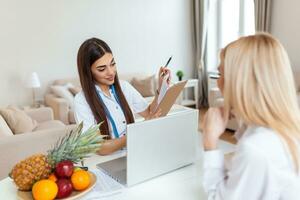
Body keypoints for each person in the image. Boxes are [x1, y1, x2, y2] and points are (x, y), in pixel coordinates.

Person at [202, 33, 300, 199]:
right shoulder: (285, 130)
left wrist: (209, 142)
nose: (219, 83)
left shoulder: (255, 148)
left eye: (221, 74)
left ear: (239, 82)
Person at [74, 38, 170, 155]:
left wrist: (161, 86)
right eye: (102, 69)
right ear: (88, 72)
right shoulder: (81, 101)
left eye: (112, 64)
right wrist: (137, 131)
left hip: (135, 152)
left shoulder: (124, 87)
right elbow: (100, 148)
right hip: (108, 160)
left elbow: (150, 112)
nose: (111, 72)